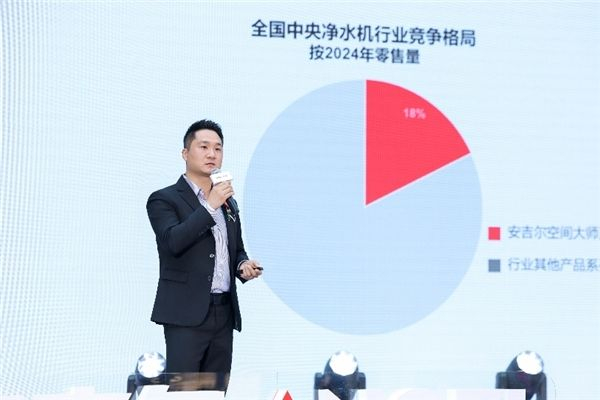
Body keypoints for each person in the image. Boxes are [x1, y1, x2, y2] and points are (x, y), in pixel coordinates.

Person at [146, 119, 262, 375]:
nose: (212, 154)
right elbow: (173, 241)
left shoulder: (228, 202)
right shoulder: (163, 199)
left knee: (217, 389)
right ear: (185, 153)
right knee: (186, 390)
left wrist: (243, 265)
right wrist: (210, 206)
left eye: (218, 148)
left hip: (224, 312)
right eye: (204, 147)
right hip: (185, 313)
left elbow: (235, 249)